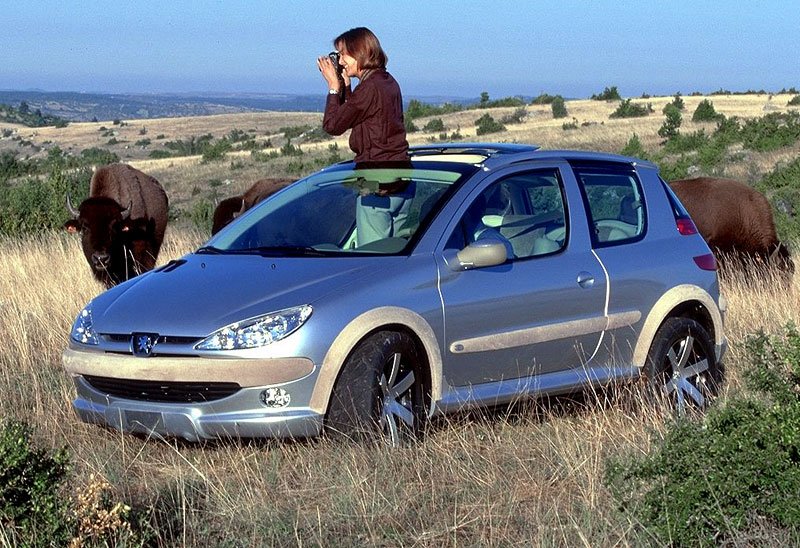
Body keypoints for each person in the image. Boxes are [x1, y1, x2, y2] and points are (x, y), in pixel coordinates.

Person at [317, 27, 409, 162]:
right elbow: (355, 114)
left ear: (359, 53)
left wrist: (333, 87)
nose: (341, 61)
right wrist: (346, 86)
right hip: (393, 164)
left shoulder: (369, 87)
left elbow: (332, 126)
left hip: (376, 170)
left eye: (343, 55)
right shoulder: (386, 80)